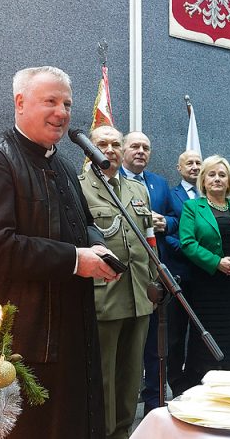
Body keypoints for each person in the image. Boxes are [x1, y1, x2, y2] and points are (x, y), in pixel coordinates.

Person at [0, 66, 119, 438]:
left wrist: (98, 248)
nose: (62, 112)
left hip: (73, 328)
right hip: (24, 340)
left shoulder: (61, 164)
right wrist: (76, 260)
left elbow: (83, 222)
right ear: (20, 102)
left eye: (67, 103)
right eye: (50, 101)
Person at [78, 126, 156, 438]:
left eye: (114, 144)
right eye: (102, 144)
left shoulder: (137, 190)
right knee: (104, 375)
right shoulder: (80, 188)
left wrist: (153, 283)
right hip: (104, 296)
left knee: (131, 374)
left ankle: (123, 431)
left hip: (139, 295)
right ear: (89, 149)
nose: (109, 149)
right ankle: (103, 432)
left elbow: (148, 242)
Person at [179, 155, 230, 383]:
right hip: (208, 286)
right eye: (212, 175)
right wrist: (217, 263)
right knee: (206, 345)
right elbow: (187, 243)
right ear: (203, 181)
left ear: (229, 181)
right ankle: (204, 389)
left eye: (222, 175)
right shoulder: (193, 207)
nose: (217, 179)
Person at [118, 131, 176, 414]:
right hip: (122, 276)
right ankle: (122, 404)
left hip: (155, 276)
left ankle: (155, 401)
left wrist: (167, 222)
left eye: (146, 147)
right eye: (135, 146)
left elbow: (178, 217)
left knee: (156, 343)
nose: (140, 151)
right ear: (123, 150)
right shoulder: (111, 180)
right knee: (127, 343)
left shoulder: (160, 184)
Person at [165, 149, 202, 396]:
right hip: (179, 273)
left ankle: (197, 378)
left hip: (206, 276)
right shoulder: (171, 195)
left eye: (199, 162)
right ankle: (177, 384)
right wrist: (190, 251)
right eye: (189, 163)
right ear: (179, 168)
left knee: (200, 332)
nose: (195, 167)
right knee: (176, 334)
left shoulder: (210, 195)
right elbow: (165, 232)